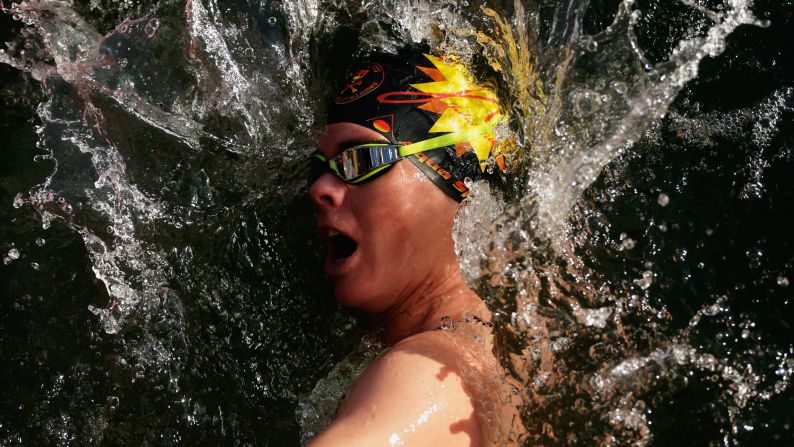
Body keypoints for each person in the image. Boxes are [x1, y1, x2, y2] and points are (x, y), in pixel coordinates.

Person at [304, 49, 521, 446]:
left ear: (463, 194)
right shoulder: (507, 350)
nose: (319, 188)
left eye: (362, 159)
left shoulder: (430, 375)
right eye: (320, 168)